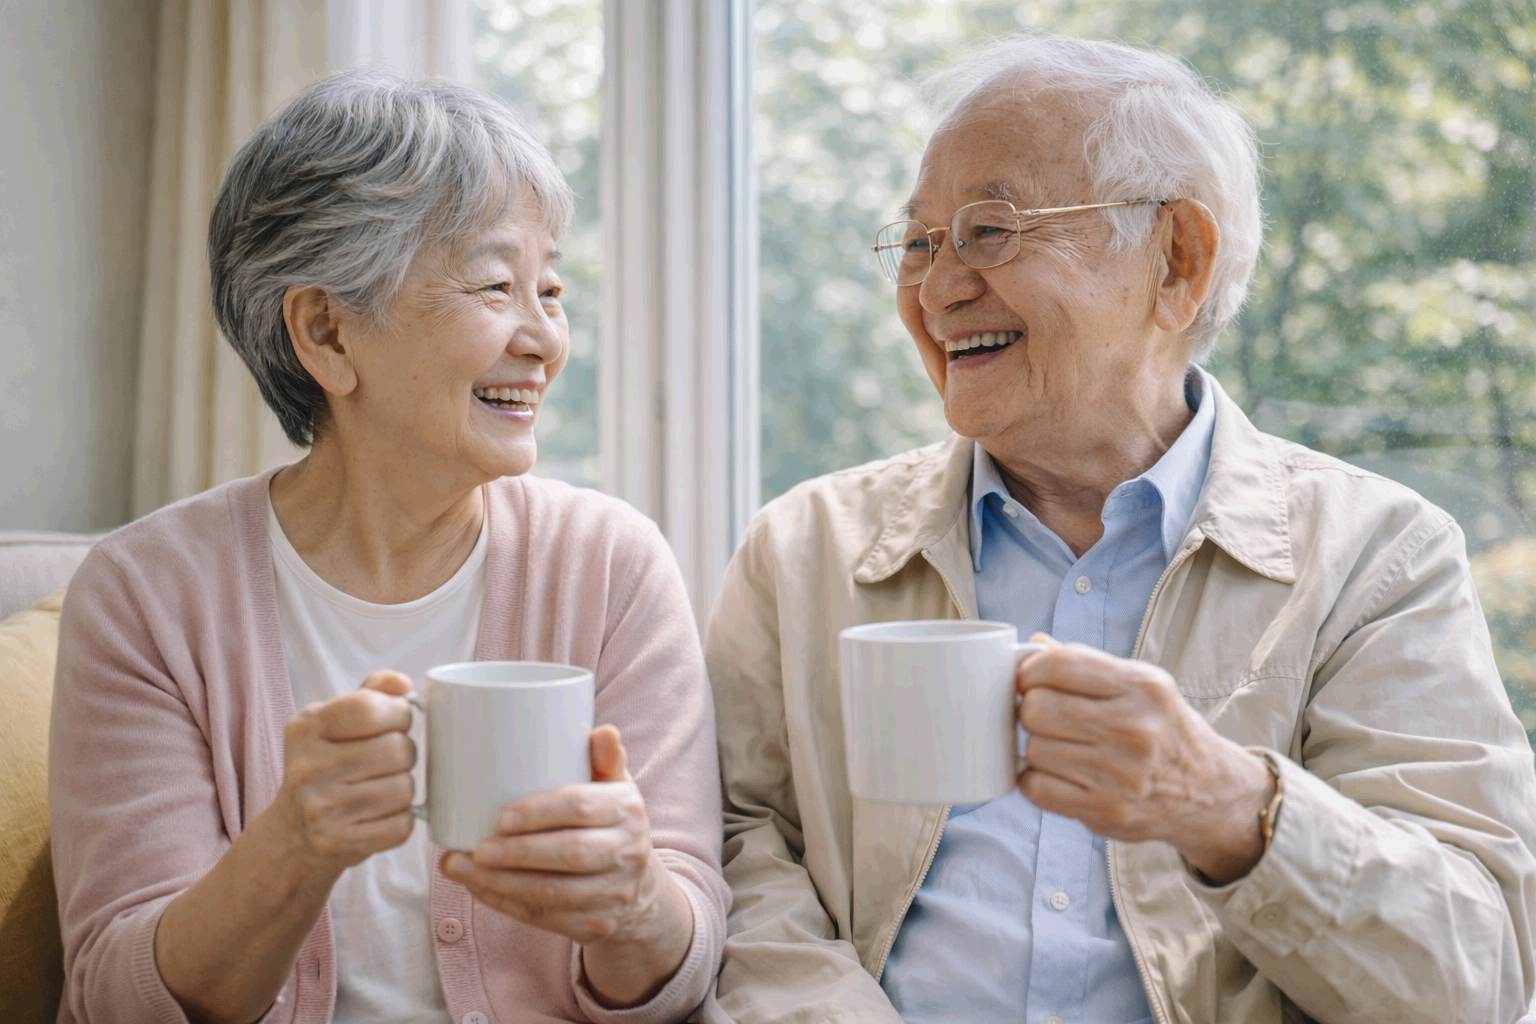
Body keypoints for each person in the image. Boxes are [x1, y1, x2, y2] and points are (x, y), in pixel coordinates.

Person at [703, 33, 1536, 1024]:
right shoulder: (804, 550)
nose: (934, 288)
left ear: (1178, 258)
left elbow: (1473, 974)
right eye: (921, 240)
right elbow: (735, 851)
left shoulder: (1378, 558)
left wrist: (1227, 805)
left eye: (991, 230)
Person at [49, 70, 727, 1024]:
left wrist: (634, 907)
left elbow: (687, 955)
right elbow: (114, 994)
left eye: (551, 288)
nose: (544, 338)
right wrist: (292, 845)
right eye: (496, 285)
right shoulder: (146, 593)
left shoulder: (612, 565)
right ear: (326, 332)